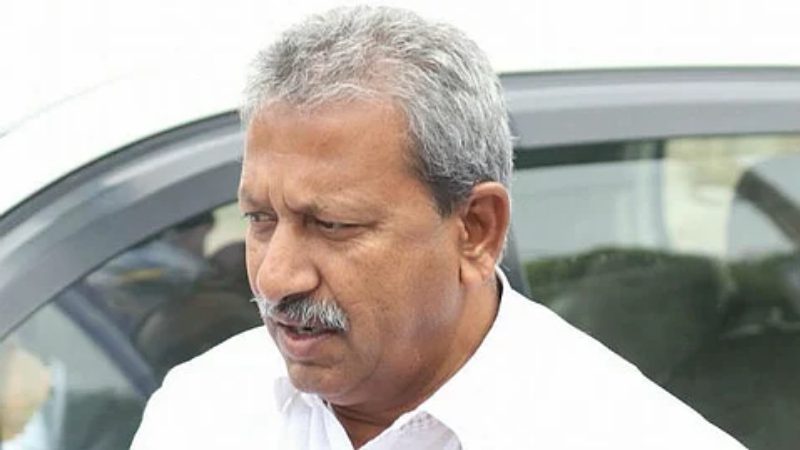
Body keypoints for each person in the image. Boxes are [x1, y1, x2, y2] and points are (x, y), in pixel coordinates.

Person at [131, 6, 744, 449]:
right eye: (260, 219)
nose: (275, 276)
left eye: (332, 224)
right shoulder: (202, 412)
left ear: (475, 230)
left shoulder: (625, 434)